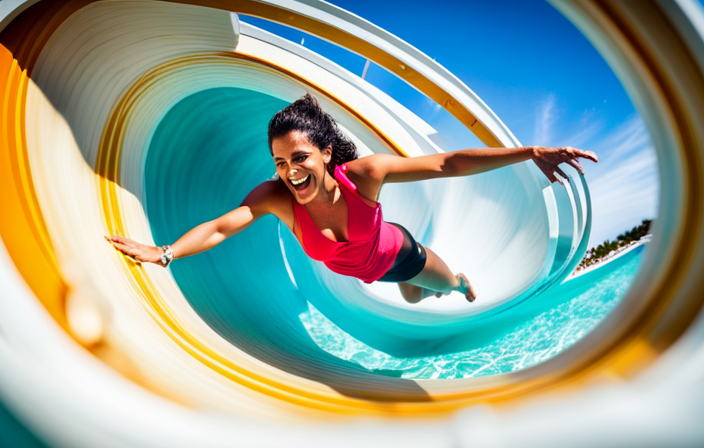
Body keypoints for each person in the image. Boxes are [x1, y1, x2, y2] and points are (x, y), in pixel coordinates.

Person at [106, 94, 597, 304]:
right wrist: (165, 252)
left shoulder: (365, 175)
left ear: (324, 151)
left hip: (399, 252)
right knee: (407, 295)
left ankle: (460, 280)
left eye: (299, 157)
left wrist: (528, 152)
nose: (290, 171)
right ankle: (419, 289)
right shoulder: (276, 197)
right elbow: (221, 225)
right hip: (369, 271)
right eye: (279, 162)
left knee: (439, 287)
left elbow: (448, 164)